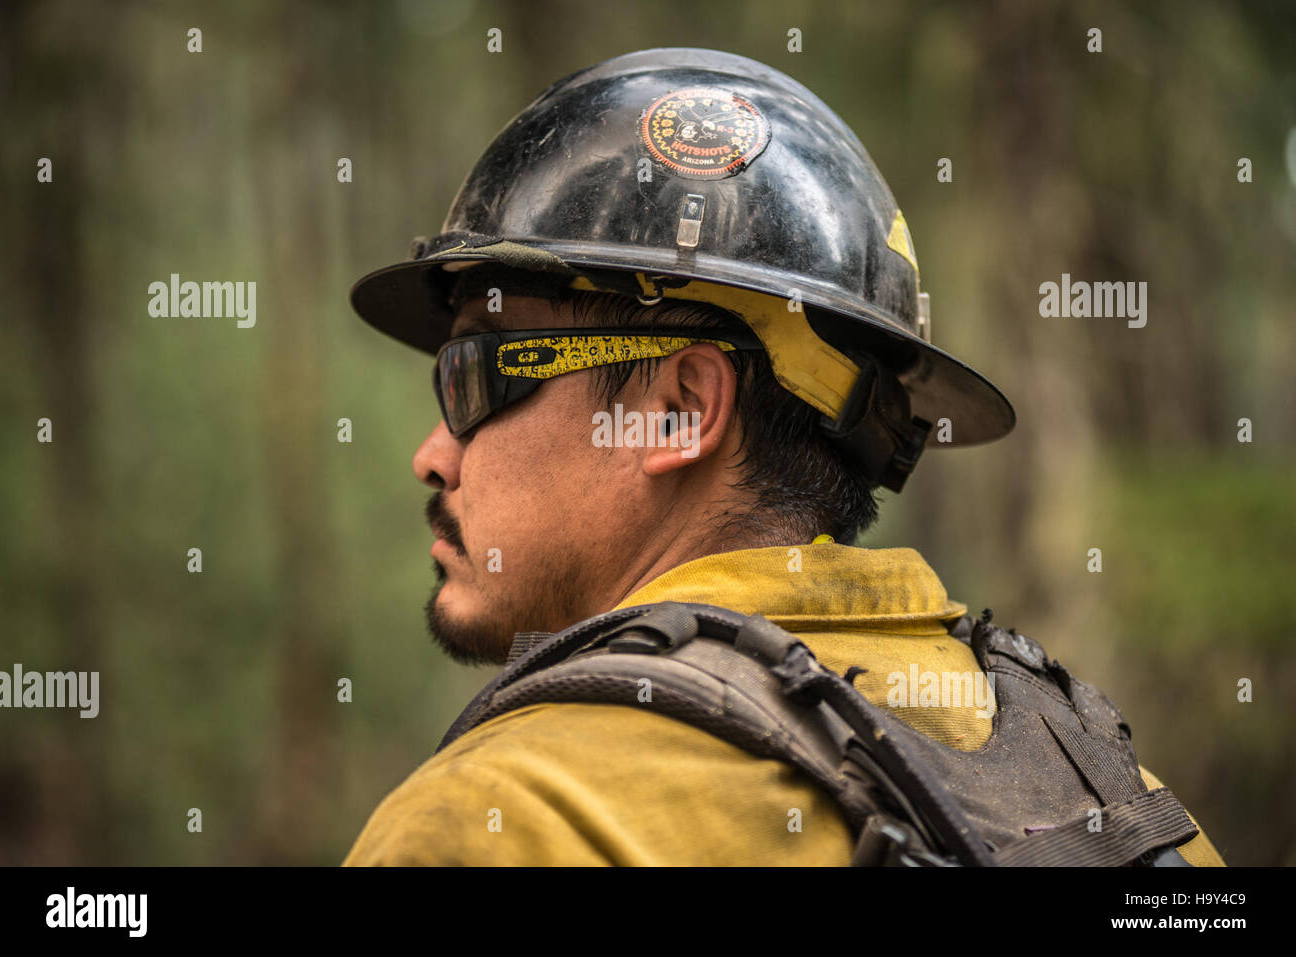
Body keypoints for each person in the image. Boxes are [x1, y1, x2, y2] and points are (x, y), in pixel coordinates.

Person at [342, 47, 1224, 866]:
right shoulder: (1120, 797)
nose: (433, 456)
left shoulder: (498, 820)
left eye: (473, 374)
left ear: (678, 411)